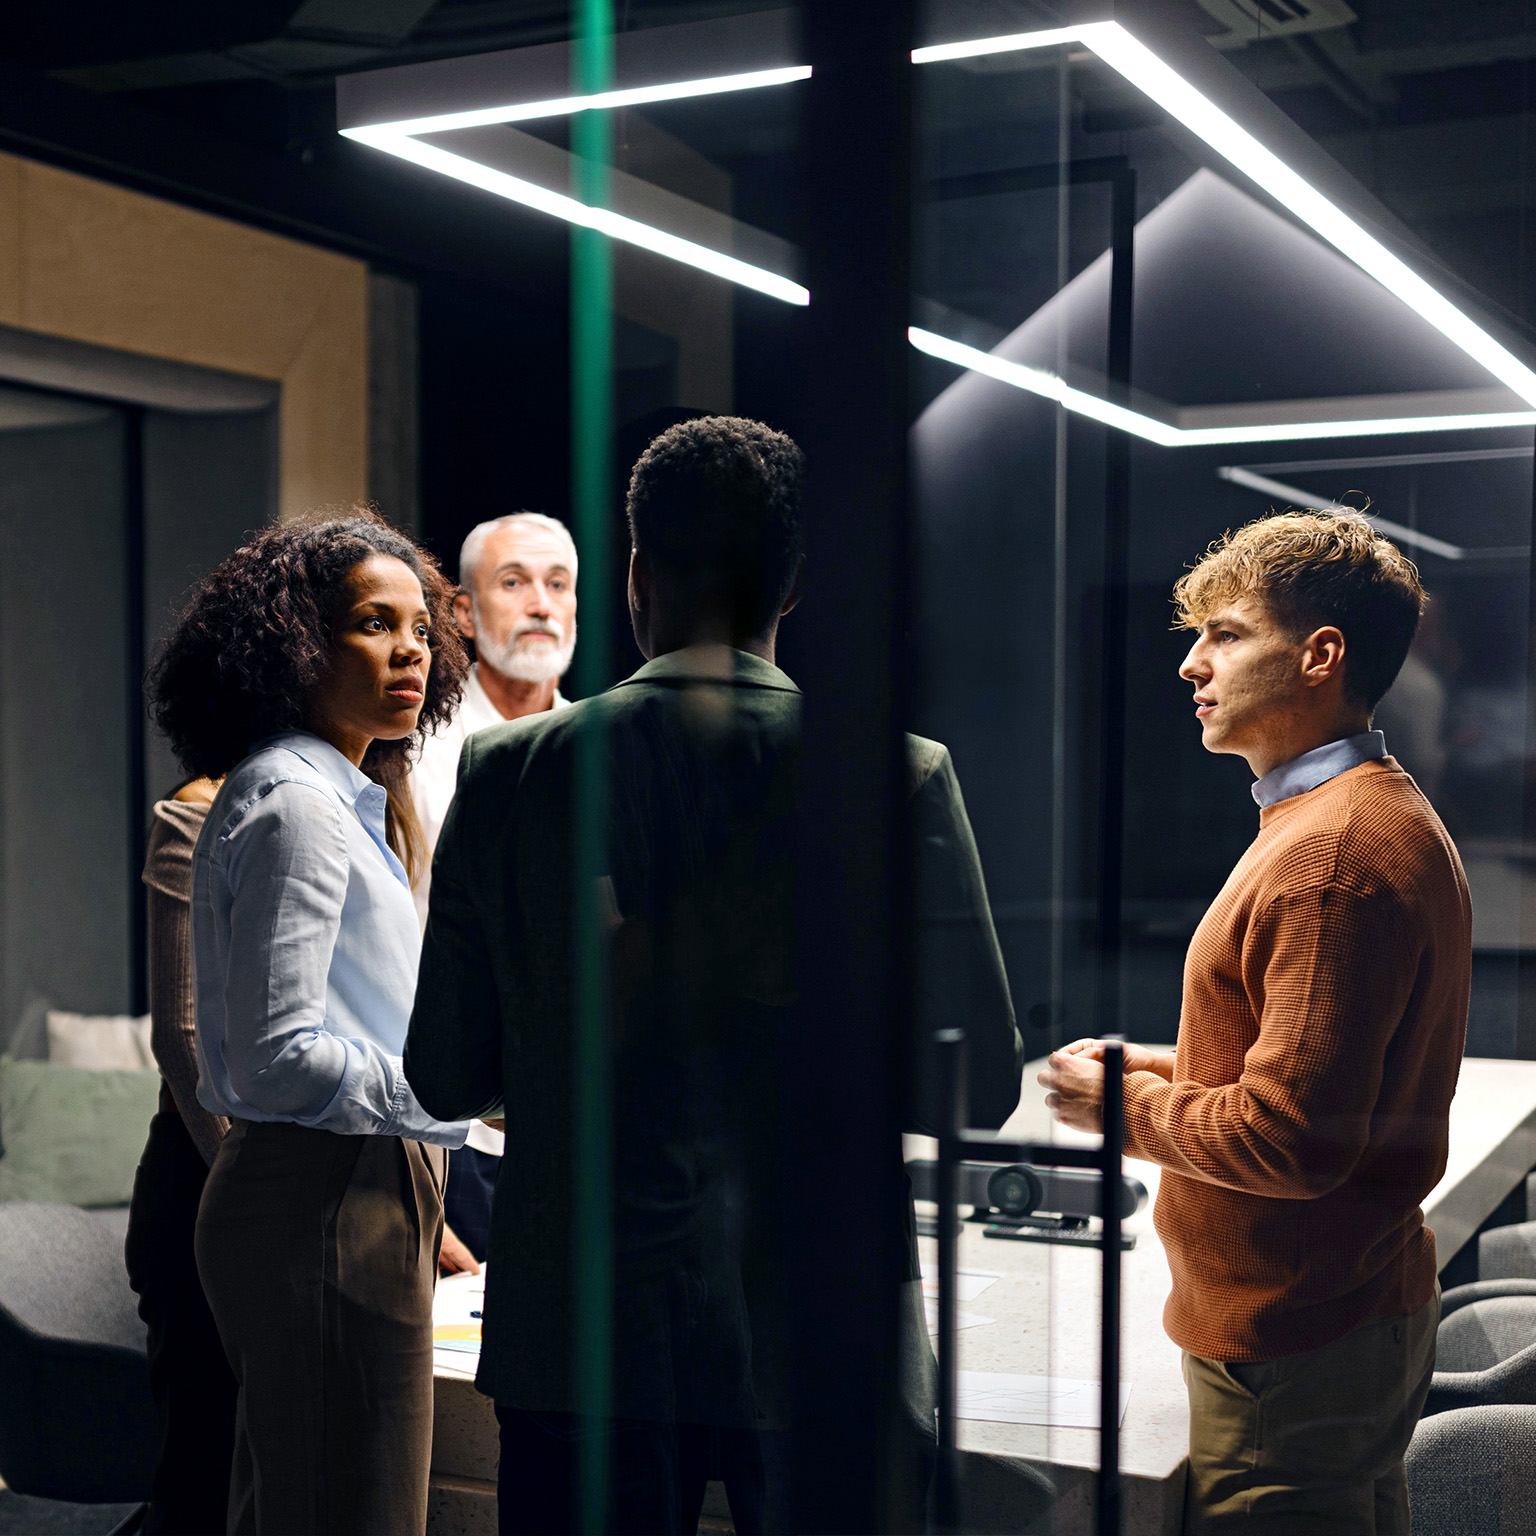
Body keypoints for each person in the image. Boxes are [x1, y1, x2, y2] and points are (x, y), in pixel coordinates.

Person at [403, 416, 1020, 1535]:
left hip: (582, 1331)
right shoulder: (902, 776)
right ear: (793, 587)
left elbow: (445, 1073)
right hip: (822, 1324)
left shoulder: (510, 772)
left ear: (635, 574)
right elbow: (978, 1088)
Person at [1041, 511, 1470, 1535]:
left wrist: (1125, 1106)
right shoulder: (1358, 813)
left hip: (1290, 1347)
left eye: (1227, 635)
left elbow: (1290, 1136)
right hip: (1345, 1314)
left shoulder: (1327, 854)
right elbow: (1318, 1076)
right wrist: (1157, 1066)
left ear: (1321, 655)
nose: (1194, 664)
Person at [147, 510, 473, 1536]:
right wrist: (450, 1092)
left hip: (349, 1186)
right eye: (374, 623)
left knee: (305, 1504)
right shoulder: (296, 804)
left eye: (421, 625)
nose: (411, 646)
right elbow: (278, 1056)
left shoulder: (341, 793)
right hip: (329, 1193)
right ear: (296, 643)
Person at [410, 511, 578, 1264]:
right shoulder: (410, 759)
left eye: (557, 584)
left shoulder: (609, 754)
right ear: (463, 613)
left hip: (579, 1125)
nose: (541, 603)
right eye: (514, 583)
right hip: (446, 1125)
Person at [123, 774, 237, 1536]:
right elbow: (183, 1040)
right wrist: (262, 1191)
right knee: (203, 1480)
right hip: (207, 1179)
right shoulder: (201, 807)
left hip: (285, 1190)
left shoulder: (353, 794)